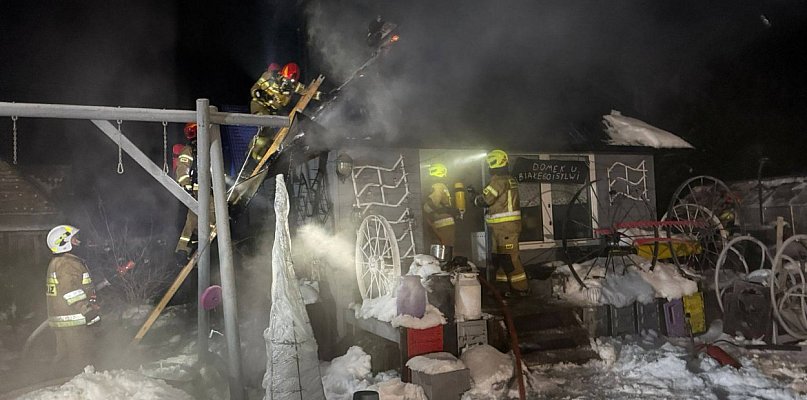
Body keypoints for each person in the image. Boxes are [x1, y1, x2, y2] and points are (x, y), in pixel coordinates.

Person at [45, 224, 100, 376]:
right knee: (80, 358)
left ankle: (57, 383)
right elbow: (70, 291)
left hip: (64, 319)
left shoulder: (58, 262)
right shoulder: (68, 264)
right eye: (74, 239)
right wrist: (87, 310)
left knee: (65, 357)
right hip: (74, 319)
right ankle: (79, 385)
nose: (79, 242)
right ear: (64, 243)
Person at [473, 150, 529, 296]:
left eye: (489, 164)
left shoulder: (498, 181)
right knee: (501, 258)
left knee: (509, 259)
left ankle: (521, 288)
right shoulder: (508, 179)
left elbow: (485, 200)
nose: (488, 167)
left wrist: (474, 197)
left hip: (505, 229)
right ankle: (503, 288)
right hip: (502, 228)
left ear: (493, 164)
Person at [423, 163, 459, 248]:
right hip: (446, 220)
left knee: (443, 247)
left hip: (441, 221)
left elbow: (433, 202)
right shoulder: (442, 186)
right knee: (448, 246)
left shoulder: (438, 186)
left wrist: (424, 209)